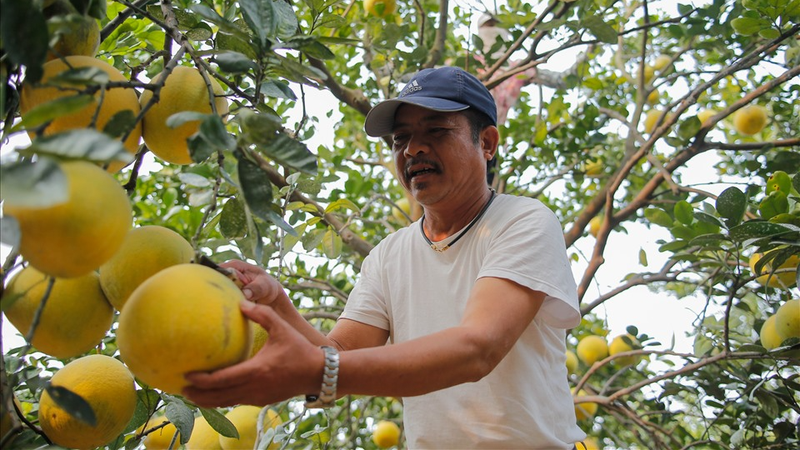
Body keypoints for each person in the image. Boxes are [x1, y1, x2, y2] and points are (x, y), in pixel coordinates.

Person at [184, 66, 587, 449]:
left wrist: (318, 372)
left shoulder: (523, 221)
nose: (413, 148)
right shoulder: (388, 255)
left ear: (487, 143)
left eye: (436, 130)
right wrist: (277, 304)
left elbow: (477, 349)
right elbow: (337, 356)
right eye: (400, 139)